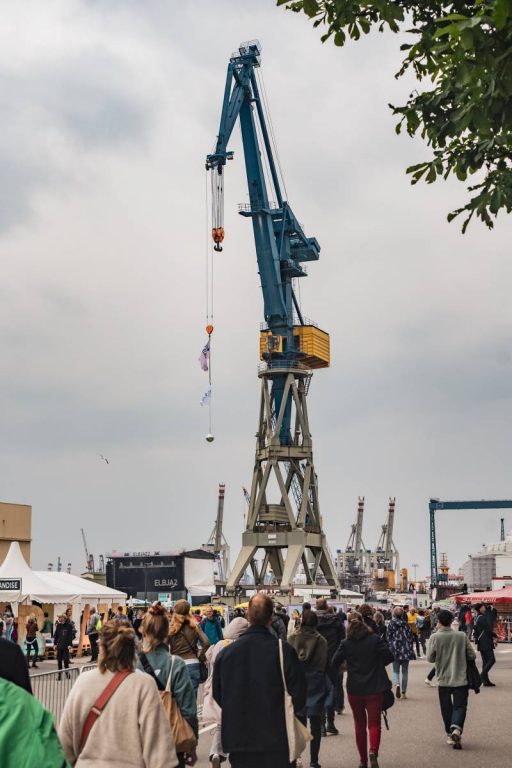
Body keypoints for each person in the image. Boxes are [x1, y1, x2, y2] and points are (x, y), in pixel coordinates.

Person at [59, 618, 174, 766]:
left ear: (102, 647)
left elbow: (64, 745)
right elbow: (160, 752)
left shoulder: (83, 682)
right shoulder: (144, 685)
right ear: (133, 648)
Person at [213, 593, 306, 768]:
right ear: (271, 617)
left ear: (248, 615)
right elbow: (299, 693)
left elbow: (218, 694)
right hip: (277, 736)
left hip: (239, 738)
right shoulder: (283, 651)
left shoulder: (227, 654)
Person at [137, 603, 197, 767]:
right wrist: (192, 744)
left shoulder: (134, 664)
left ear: (144, 632)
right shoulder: (175, 664)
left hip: (140, 743)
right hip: (170, 743)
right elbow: (188, 709)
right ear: (166, 633)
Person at [332, 616, 393, 768]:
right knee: (374, 723)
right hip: (375, 687)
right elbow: (389, 656)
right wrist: (378, 664)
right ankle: (373, 750)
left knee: (359, 724)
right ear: (366, 628)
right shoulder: (374, 639)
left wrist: (346, 666)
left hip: (355, 689)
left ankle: (363, 760)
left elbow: (334, 662)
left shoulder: (345, 644)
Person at [426, 609, 476, 749]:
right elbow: (472, 655)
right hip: (461, 677)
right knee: (460, 706)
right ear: (451, 621)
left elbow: (430, 658)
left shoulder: (435, 637)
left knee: (446, 707)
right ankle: (457, 729)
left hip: (443, 678)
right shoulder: (461, 636)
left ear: (439, 621)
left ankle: (450, 734)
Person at [203, 616, 249, 767]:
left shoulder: (219, 644)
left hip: (218, 686)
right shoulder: (241, 645)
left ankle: (216, 752)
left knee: (220, 723)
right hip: (236, 687)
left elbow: (209, 658)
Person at [288, 609, 328, 768]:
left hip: (297, 683)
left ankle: (295, 758)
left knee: (297, 725)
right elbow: (323, 663)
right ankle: (314, 761)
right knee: (316, 724)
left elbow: (288, 664)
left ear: (301, 621)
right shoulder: (321, 641)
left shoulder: (291, 639)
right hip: (316, 682)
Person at [316, 597, 345, 735]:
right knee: (332, 689)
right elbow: (342, 640)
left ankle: (321, 725)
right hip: (333, 658)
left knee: (319, 691)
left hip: (317, 660)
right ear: (327, 606)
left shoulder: (312, 620)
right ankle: (330, 723)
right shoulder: (335, 621)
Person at [169, 599, 210, 694]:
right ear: (188, 611)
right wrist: (201, 657)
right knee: (192, 703)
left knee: (177, 703)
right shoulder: (195, 626)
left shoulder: (171, 628)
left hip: (176, 665)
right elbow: (206, 643)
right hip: (193, 664)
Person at [386, 606, 413, 700]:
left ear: (393, 614)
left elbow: (388, 636)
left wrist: (390, 645)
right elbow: (410, 637)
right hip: (405, 649)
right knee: (405, 672)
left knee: (395, 671)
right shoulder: (406, 624)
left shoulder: (391, 624)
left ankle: (397, 684)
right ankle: (403, 693)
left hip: (395, 649)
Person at [474, 603, 497, 686]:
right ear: (480, 609)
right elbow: (488, 629)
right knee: (491, 660)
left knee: (485, 661)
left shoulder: (478, 617)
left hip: (481, 642)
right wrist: (495, 636)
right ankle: (482, 676)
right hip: (486, 641)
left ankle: (486, 681)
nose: (485, 607)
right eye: (483, 606)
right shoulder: (482, 618)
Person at [54, 613, 74, 680]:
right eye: (58, 617)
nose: (59, 619)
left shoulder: (69, 626)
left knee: (65, 661)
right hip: (59, 646)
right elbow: (56, 635)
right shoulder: (58, 626)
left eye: (60, 617)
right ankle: (59, 676)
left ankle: (67, 674)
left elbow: (70, 636)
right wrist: (54, 644)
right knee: (59, 661)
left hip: (66, 646)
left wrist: (70, 644)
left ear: (63, 618)